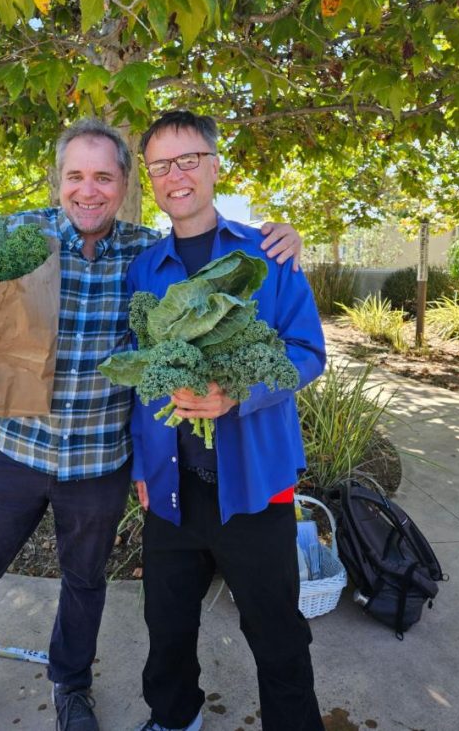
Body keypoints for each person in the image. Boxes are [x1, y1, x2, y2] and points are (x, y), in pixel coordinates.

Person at [0, 118, 302, 731]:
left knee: (85, 586)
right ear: (57, 180)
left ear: (124, 184)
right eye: (76, 176)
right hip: (13, 455)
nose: (89, 190)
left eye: (104, 177)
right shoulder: (21, 235)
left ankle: (72, 687)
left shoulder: (147, 256)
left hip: (96, 467)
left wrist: (283, 237)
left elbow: (229, 287)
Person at [128, 111, 326, 731]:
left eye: (189, 160)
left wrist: (235, 395)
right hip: (168, 489)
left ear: (215, 166)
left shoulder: (268, 252)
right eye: (161, 165)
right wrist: (139, 465)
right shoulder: (143, 267)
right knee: (166, 628)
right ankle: (174, 718)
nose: (176, 176)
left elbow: (308, 352)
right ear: (151, 178)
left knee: (278, 635)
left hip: (256, 485)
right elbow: (139, 381)